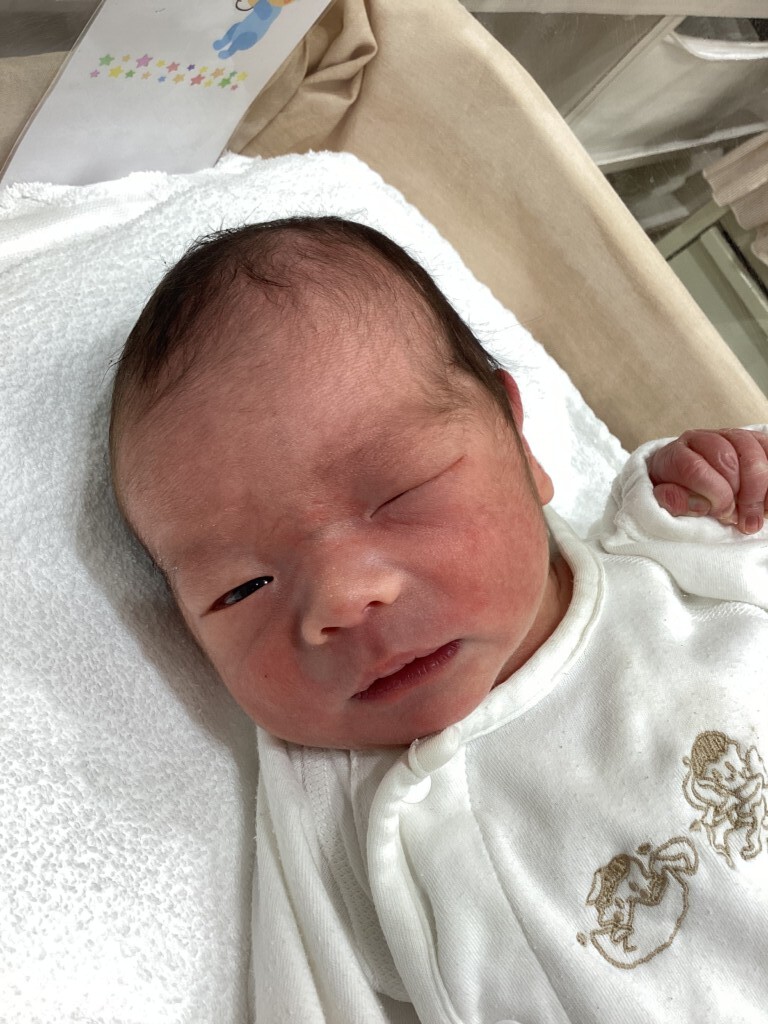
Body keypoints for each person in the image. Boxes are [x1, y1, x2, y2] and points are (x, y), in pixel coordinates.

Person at [109, 216, 768, 1023]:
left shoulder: (679, 566)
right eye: (243, 588)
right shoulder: (335, 814)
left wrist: (724, 488)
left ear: (521, 442)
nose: (343, 597)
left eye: (400, 493)